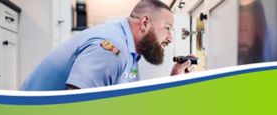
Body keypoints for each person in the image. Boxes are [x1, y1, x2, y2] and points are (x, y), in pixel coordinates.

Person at [21, 0, 193, 91]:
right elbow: (76, 107)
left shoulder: (130, 51)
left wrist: (174, 78)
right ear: (144, 23)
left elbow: (129, 99)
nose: (170, 38)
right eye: (167, 28)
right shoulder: (111, 49)